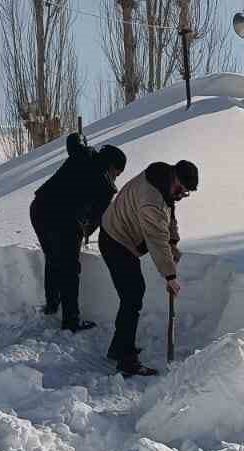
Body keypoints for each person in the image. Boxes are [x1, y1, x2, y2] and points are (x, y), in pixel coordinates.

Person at [99, 158, 198, 377]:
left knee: (132, 295)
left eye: (186, 193)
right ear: (174, 178)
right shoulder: (151, 200)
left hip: (122, 235)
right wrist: (170, 276)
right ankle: (126, 360)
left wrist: (174, 241)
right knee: (133, 295)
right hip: (115, 239)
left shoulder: (163, 181)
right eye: (181, 190)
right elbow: (156, 240)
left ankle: (118, 349)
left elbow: (169, 216)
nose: (181, 195)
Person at [29, 132, 127, 331]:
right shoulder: (105, 186)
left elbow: (73, 141)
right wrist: (84, 233)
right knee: (69, 268)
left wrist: (81, 137)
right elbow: (97, 219)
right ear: (111, 166)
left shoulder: (84, 155)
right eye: (117, 172)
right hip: (62, 218)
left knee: (53, 258)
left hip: (39, 208)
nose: (116, 176)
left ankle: (52, 304)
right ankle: (71, 321)